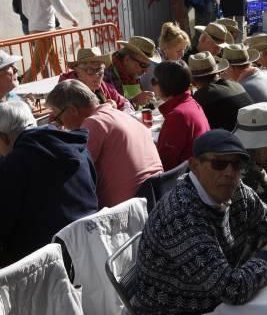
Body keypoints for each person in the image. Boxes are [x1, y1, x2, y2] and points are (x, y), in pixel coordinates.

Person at [131, 129, 267, 315]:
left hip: (214, 301)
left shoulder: (236, 189)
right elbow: (234, 290)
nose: (230, 172)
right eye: (219, 164)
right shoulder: (182, 216)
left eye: (237, 165)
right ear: (195, 166)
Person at [0, 100, 97, 267]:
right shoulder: (77, 146)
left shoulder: (15, 163)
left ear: (4, 137)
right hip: (89, 245)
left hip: (46, 262)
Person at [46, 80, 163, 208]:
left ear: (72, 110)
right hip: (155, 196)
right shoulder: (119, 115)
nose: (61, 125)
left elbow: (74, 174)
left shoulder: (94, 123)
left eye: (59, 119)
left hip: (130, 210)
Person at [21, 0, 80, 82]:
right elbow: (60, 8)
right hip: (46, 30)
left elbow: (25, 11)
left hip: (34, 30)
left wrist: (36, 19)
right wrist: (73, 19)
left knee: (56, 61)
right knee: (38, 66)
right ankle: (17, 92)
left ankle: (67, 85)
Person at [152, 59, 210, 171]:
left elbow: (164, 163)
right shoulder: (191, 102)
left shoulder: (177, 115)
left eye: (154, 81)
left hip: (186, 180)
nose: (152, 84)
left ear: (165, 84)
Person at [190, 52, 254, 131]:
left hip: (237, 139)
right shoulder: (236, 85)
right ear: (217, 72)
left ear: (193, 81)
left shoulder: (203, 95)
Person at [59, 47, 134, 113]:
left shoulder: (103, 86)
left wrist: (119, 109)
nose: (96, 76)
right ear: (78, 72)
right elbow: (81, 120)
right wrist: (107, 109)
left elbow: (125, 103)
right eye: (90, 71)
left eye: (100, 70)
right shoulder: (68, 92)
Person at [103, 36, 160, 107]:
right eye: (143, 65)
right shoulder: (108, 73)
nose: (146, 70)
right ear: (127, 60)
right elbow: (111, 107)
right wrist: (134, 101)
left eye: (148, 65)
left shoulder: (133, 73)